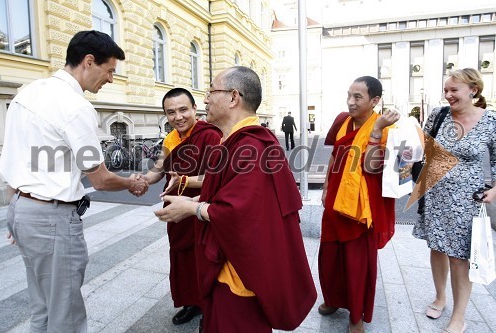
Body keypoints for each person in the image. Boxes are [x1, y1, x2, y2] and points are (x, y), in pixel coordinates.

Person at [0, 30, 149, 333]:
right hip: (51, 220)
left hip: (21, 208)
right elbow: (102, 179)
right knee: (65, 313)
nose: (109, 80)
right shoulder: (76, 106)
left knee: (42, 305)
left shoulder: (27, 92)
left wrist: (19, 214)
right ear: (88, 61)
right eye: (109, 71)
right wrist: (132, 182)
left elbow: (13, 160)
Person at [154, 66, 317, 332]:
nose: (205, 99)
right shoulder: (237, 141)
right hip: (230, 259)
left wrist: (191, 207)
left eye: (211, 91)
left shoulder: (251, 146)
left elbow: (239, 212)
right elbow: (228, 187)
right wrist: (189, 185)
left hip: (239, 272)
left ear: (233, 97)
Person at [412, 68, 496, 333]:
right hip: (435, 194)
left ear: (473, 90)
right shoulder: (438, 115)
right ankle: (439, 297)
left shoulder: (491, 120)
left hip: (468, 198)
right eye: (446, 90)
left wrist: (494, 189)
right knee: (436, 248)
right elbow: (422, 148)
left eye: (453, 90)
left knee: (460, 257)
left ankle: (459, 316)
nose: (448, 95)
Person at [318, 76, 399, 333]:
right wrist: (326, 186)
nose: (350, 102)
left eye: (358, 97)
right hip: (335, 199)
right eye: (349, 96)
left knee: (357, 263)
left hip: (361, 206)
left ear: (374, 101)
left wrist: (376, 132)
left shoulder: (386, 128)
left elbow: (372, 167)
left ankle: (356, 315)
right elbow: (335, 155)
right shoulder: (343, 120)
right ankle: (333, 299)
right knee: (329, 256)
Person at [137, 88, 222, 325]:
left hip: (200, 208)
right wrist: (144, 179)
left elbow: (218, 177)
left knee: (204, 258)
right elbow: (160, 168)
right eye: (171, 112)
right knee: (182, 258)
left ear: (195, 109)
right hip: (176, 210)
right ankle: (192, 303)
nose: (178, 117)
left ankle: (210, 309)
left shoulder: (210, 136)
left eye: (183, 109)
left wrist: (185, 180)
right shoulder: (171, 137)